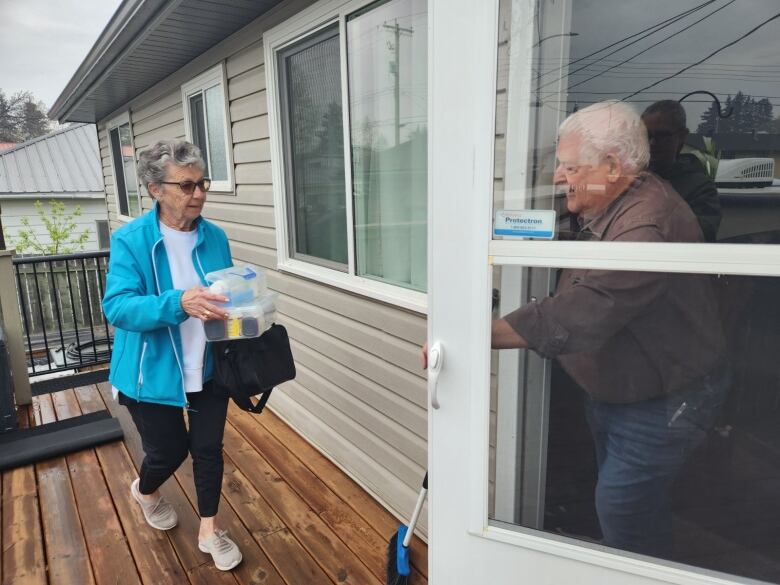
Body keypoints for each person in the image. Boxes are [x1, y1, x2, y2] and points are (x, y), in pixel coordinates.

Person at [427, 101, 729, 557]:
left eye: (569, 166)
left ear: (610, 166)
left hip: (666, 398)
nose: (556, 177)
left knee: (624, 508)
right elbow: (572, 240)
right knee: (630, 507)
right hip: (625, 392)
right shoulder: (617, 199)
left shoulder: (646, 224)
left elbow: (585, 310)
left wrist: (468, 339)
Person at [102, 139, 242, 571]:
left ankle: (209, 529)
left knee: (208, 450)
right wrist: (177, 303)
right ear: (154, 189)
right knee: (168, 453)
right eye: (186, 185)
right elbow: (118, 306)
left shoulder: (215, 236)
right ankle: (145, 491)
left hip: (210, 365)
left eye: (203, 183)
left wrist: (243, 310)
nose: (198, 194)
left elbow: (226, 292)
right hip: (151, 373)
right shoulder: (131, 240)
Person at [642, 99, 721, 242]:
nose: (652, 143)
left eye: (662, 136)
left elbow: (700, 237)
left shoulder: (700, 189)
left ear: (682, 137)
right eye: (646, 135)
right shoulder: (627, 178)